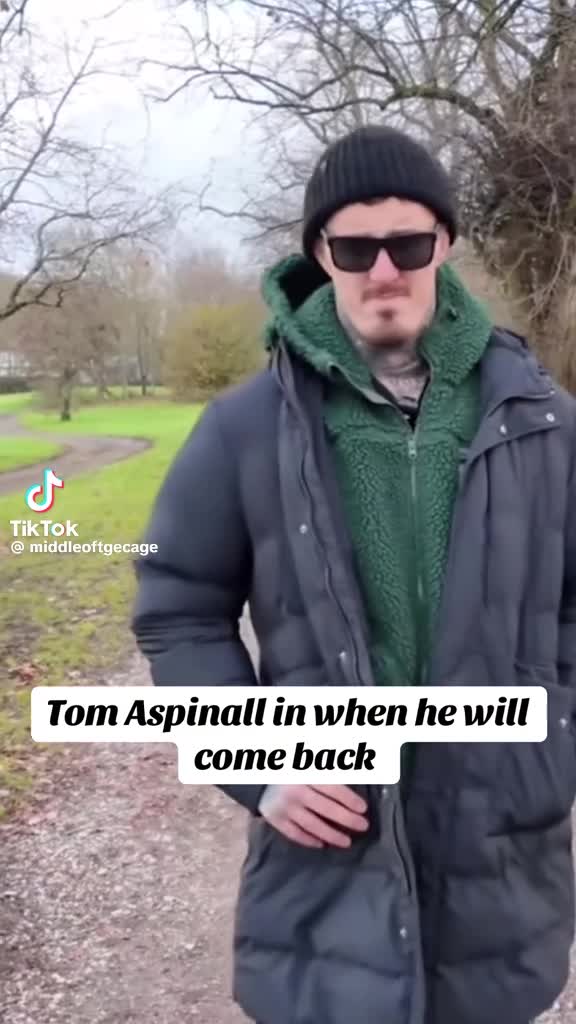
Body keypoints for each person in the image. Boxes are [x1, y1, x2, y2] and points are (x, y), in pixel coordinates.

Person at [131, 125, 576, 1024]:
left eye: (407, 245)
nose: (383, 272)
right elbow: (178, 613)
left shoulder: (544, 422)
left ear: (444, 245)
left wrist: (551, 742)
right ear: (319, 255)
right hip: (329, 855)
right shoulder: (244, 429)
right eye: (354, 248)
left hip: (501, 851)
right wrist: (258, 761)